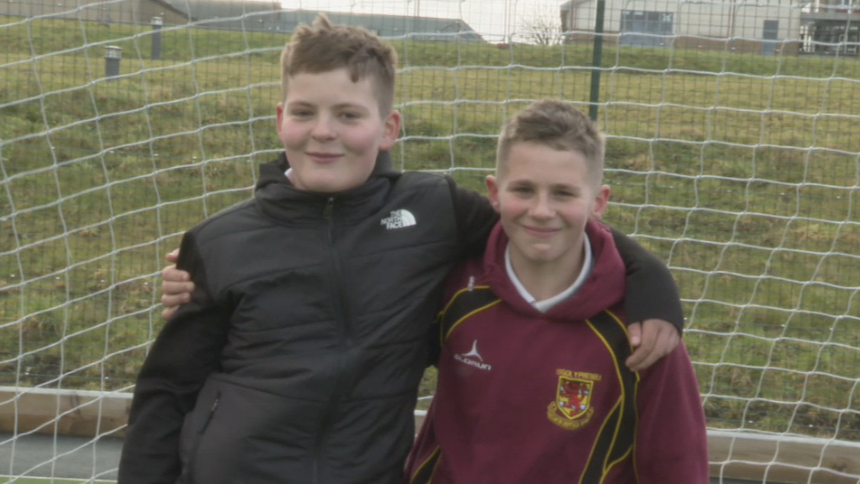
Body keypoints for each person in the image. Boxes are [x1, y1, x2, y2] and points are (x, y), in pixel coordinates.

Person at [121, 15, 684, 484]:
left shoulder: (432, 210)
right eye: (304, 111)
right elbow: (167, 388)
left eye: (348, 114)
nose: (323, 131)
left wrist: (654, 286)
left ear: (388, 127)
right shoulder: (220, 241)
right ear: (280, 119)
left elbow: (545, 222)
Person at [404, 100, 708, 484]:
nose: (542, 210)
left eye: (563, 193)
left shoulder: (642, 328)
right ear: (494, 193)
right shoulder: (453, 288)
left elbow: (677, 462)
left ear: (599, 202)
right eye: (524, 189)